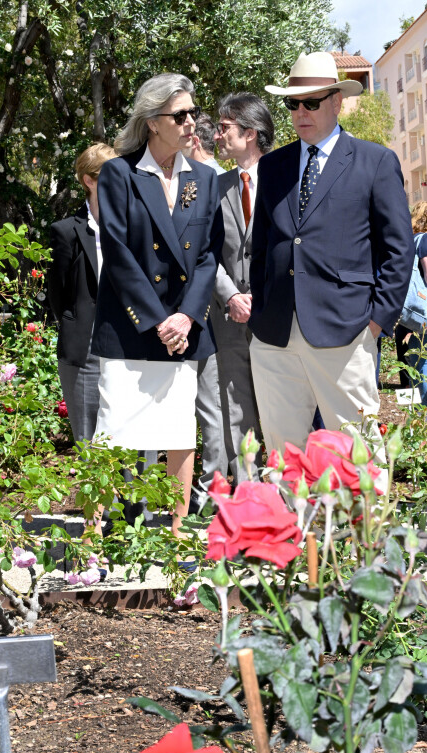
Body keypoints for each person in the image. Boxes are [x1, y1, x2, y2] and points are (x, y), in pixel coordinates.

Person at [249, 51, 414, 453]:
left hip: (346, 332)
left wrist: (375, 324)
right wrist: (261, 311)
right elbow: (262, 248)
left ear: (337, 102)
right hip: (275, 335)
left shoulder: (375, 162)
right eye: (293, 103)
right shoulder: (272, 166)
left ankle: (366, 520)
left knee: (358, 456)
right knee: (282, 456)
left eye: (312, 102)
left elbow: (399, 249)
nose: (301, 111)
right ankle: (292, 519)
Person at [91, 73, 223, 538]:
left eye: (194, 113)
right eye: (180, 115)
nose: (192, 123)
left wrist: (187, 315)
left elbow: (208, 256)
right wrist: (159, 318)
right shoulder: (119, 173)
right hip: (132, 326)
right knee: (113, 431)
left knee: (177, 431)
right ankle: (94, 534)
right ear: (152, 122)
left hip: (183, 328)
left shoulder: (204, 179)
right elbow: (119, 252)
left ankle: (176, 531)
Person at [212, 93, 274, 482]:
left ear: (249, 133)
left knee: (283, 407)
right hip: (230, 320)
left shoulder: (288, 178)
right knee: (236, 408)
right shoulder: (214, 186)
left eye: (225, 128)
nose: (218, 136)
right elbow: (203, 250)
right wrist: (229, 294)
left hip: (279, 318)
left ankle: (288, 495)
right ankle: (247, 492)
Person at [49, 144, 116, 443]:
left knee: (127, 440)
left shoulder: (132, 227)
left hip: (128, 348)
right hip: (85, 350)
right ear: (90, 181)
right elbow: (58, 293)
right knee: (89, 441)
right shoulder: (66, 232)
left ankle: (128, 493)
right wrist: (76, 323)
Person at [185, 113, 228, 513]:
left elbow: (209, 255)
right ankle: (209, 491)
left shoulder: (207, 181)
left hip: (213, 314)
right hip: (200, 316)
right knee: (212, 408)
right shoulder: (214, 178)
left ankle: (211, 492)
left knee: (212, 407)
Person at [395, 201, 427, 408]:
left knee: (411, 364)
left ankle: (411, 415)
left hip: (407, 312)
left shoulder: (408, 240)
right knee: (425, 362)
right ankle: (422, 415)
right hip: (425, 312)